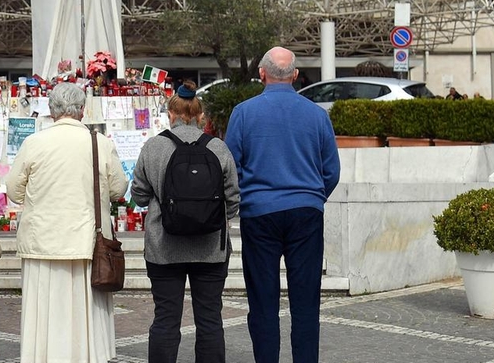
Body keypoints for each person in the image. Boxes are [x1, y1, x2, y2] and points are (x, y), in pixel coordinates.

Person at [224, 47, 340, 363]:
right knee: (305, 301)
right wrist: (313, 197)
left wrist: (248, 198)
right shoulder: (317, 115)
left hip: (259, 212)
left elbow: (230, 167)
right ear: (295, 76)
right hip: (306, 212)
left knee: (262, 300)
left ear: (261, 73)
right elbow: (331, 170)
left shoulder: (243, 113)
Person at [7, 82, 127, 363]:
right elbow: (119, 188)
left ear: (51, 111)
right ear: (82, 111)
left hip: (43, 240)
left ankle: (44, 356)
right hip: (87, 240)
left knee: (45, 307)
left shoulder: (34, 143)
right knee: (85, 307)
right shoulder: (100, 143)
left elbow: (13, 190)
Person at [131, 80, 241, 363]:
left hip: (163, 248)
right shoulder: (218, 148)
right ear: (200, 115)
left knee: (166, 318)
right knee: (210, 319)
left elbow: (140, 196)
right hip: (210, 249)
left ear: (171, 114)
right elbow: (233, 201)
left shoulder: (154, 147)